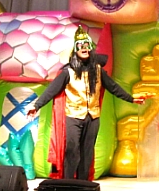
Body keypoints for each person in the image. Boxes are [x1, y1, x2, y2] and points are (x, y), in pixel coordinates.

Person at [27, 25, 143, 180]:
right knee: (72, 149)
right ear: (76, 49)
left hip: (92, 116)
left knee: (87, 152)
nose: (84, 48)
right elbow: (52, 90)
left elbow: (113, 87)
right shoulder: (68, 72)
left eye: (87, 45)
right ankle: (68, 182)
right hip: (74, 116)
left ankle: (83, 184)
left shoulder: (98, 71)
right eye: (81, 46)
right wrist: (36, 106)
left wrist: (132, 98)